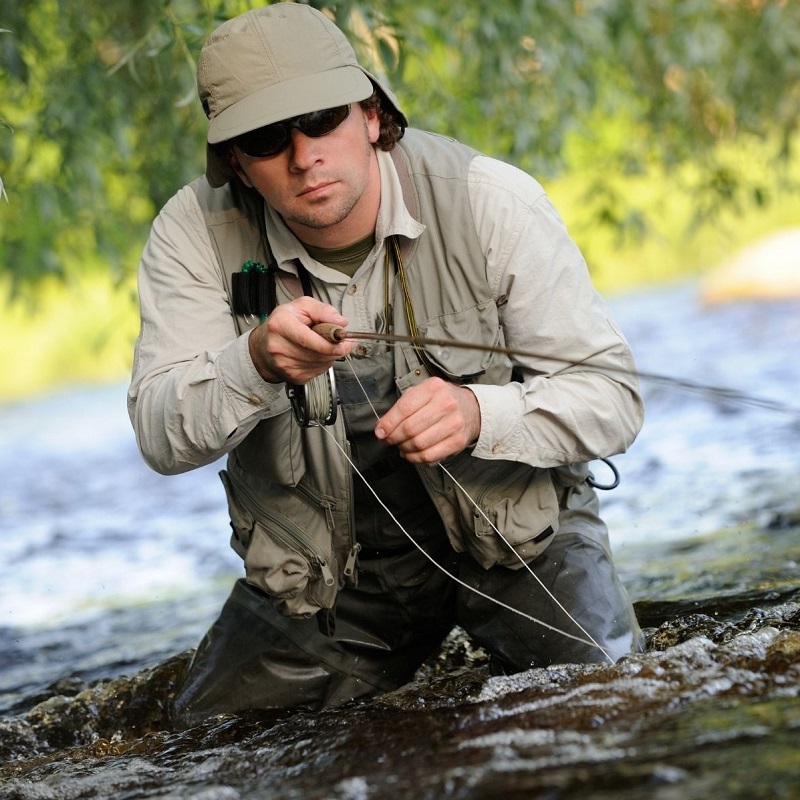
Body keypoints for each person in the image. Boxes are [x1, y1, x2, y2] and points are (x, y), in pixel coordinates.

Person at [128, 2, 645, 725]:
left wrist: (479, 413)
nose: (304, 154)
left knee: (613, 708)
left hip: (521, 545)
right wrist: (255, 363)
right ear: (237, 163)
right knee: (202, 745)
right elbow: (159, 433)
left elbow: (613, 398)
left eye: (321, 120)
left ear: (372, 115)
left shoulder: (491, 200)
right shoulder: (191, 235)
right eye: (269, 138)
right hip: (337, 584)